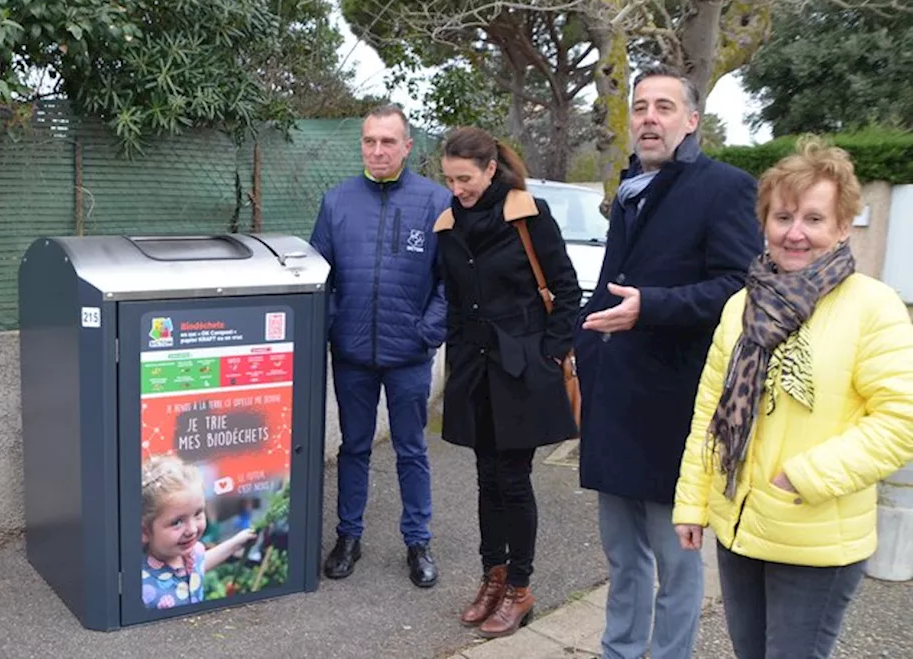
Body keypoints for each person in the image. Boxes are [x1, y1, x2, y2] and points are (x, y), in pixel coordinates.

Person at [674, 138, 913, 658]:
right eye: (783, 217)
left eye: (813, 218)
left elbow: (901, 421)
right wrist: (692, 502)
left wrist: (801, 477)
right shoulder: (742, 304)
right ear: (765, 223)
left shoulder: (874, 307)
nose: (795, 232)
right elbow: (710, 413)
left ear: (843, 226)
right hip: (739, 526)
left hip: (814, 533)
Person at [573, 64, 763, 659]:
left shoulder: (725, 187)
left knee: (676, 567)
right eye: (640, 107)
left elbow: (739, 286)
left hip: (672, 412)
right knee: (622, 556)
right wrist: (582, 351)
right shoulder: (630, 189)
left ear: (691, 120)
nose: (649, 118)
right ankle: (621, 650)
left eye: (663, 107)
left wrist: (651, 308)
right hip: (614, 405)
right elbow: (614, 284)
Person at [432, 127, 580, 638]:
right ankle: (491, 577)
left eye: (465, 178)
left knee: (513, 481)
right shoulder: (449, 223)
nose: (457, 189)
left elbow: (565, 290)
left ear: (490, 169)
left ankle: (520, 587)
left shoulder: (527, 214)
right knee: (486, 479)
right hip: (473, 369)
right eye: (450, 179)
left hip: (522, 370)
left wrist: (550, 352)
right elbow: (452, 297)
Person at [309, 103, 452, 588]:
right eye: (369, 141)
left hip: (409, 355)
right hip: (352, 355)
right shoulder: (337, 202)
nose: (377, 150)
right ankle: (348, 536)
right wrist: (332, 329)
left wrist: (427, 332)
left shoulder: (436, 203)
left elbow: (450, 282)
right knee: (354, 448)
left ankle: (418, 541)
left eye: (387, 141)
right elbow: (317, 277)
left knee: (411, 449)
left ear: (407, 146)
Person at [140, 454, 257, 609]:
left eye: (198, 514)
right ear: (145, 532)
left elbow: (199, 564)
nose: (192, 529)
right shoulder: (141, 585)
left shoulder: (189, 554)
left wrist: (235, 543)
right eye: (177, 522)